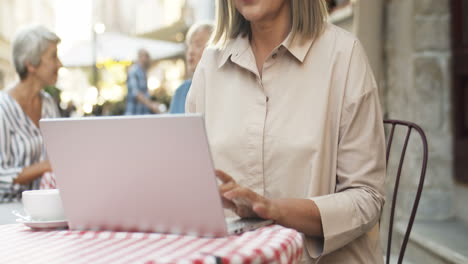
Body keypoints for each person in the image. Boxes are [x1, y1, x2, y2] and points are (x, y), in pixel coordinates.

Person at [186, 0, 386, 263]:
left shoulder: (343, 55)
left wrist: (273, 209)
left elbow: (366, 198)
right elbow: (190, 183)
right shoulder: (209, 66)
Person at [0, 25, 62, 202]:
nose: (59, 64)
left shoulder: (48, 103)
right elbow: (1, 176)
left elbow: (59, 154)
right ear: (30, 64)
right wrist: (44, 167)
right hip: (6, 211)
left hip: (46, 206)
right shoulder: (2, 108)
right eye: (53, 56)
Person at [169, 23, 213, 114]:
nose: (190, 51)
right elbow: (171, 127)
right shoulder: (181, 91)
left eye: (198, 45)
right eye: (188, 46)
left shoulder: (225, 87)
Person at [125, 49, 159, 115]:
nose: (149, 59)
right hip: (134, 113)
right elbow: (136, 93)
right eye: (147, 56)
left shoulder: (143, 72)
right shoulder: (134, 71)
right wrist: (151, 105)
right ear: (140, 57)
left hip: (142, 113)